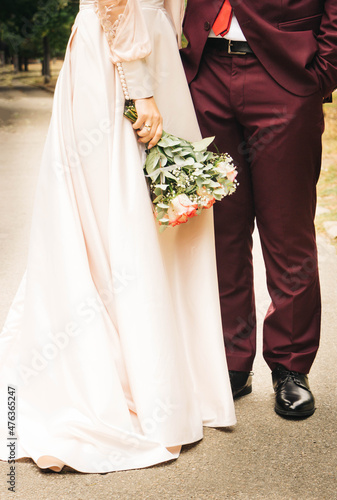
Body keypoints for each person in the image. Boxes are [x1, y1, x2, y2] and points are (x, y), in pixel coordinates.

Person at [0, 0, 236, 473]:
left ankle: (167, 379)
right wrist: (140, 88)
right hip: (120, 63)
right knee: (119, 216)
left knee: (151, 218)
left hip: (148, 54)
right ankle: (129, 390)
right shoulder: (132, 73)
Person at [181, 0, 337, 418]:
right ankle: (231, 361)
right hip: (202, 71)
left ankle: (291, 366)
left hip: (285, 74)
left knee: (287, 231)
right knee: (220, 230)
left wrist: (327, 69)